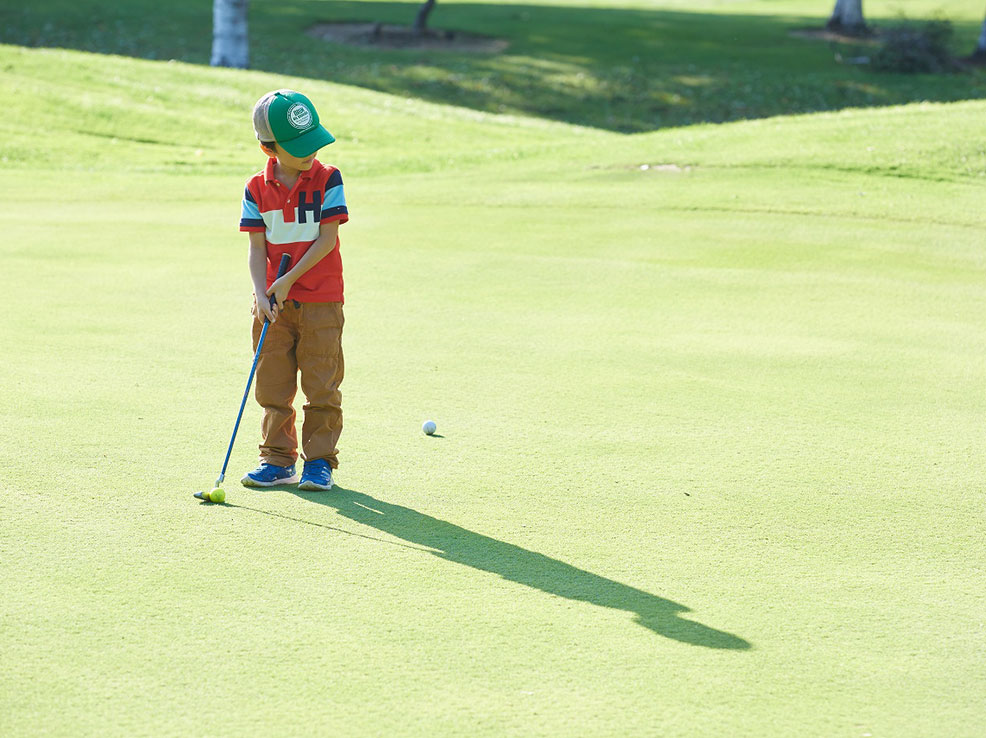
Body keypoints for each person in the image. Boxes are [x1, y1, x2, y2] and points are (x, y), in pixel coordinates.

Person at [237, 89, 349, 490]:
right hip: (272, 306)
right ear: (270, 147)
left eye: (313, 142)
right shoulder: (256, 188)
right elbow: (255, 249)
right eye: (299, 146)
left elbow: (327, 239)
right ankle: (278, 460)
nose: (310, 152)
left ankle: (318, 462)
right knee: (273, 384)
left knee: (321, 383)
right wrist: (262, 292)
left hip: (321, 299)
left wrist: (286, 280)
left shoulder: (327, 178)